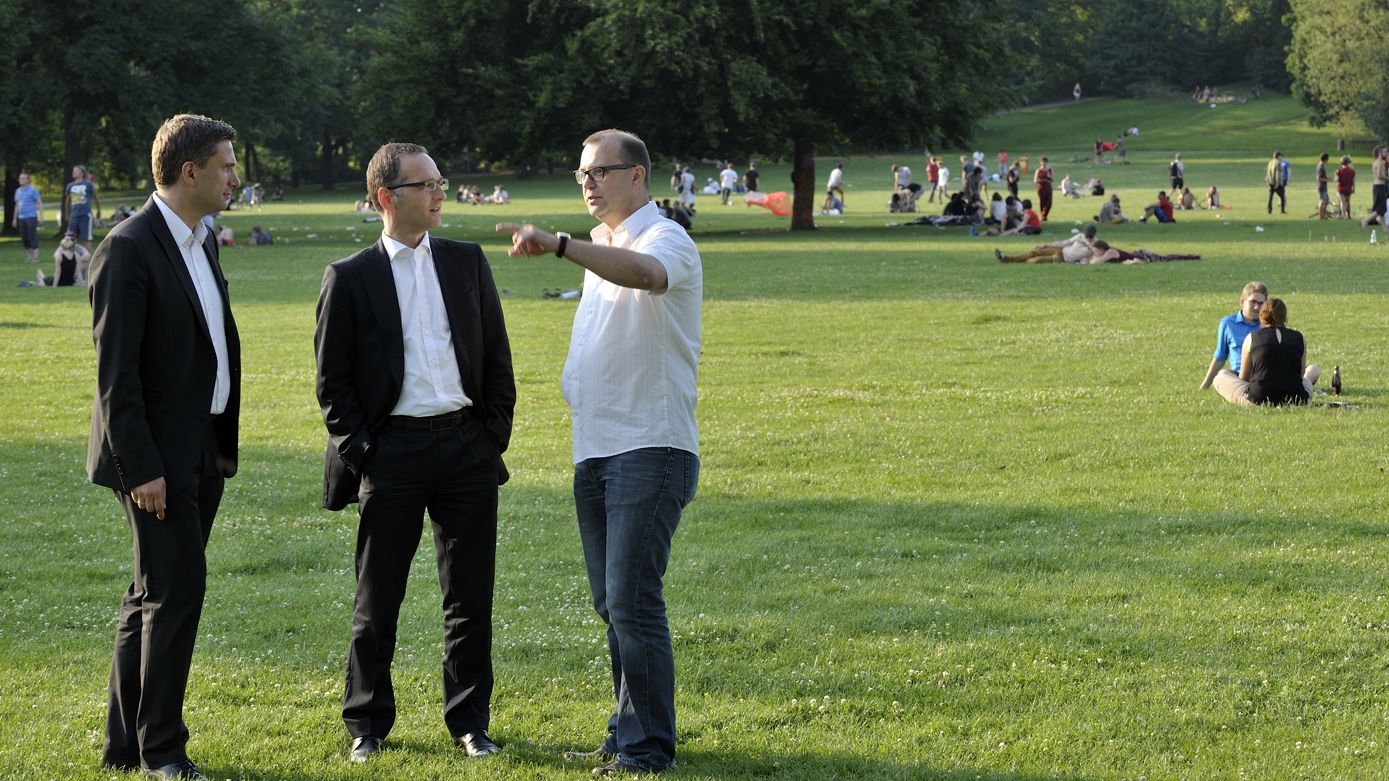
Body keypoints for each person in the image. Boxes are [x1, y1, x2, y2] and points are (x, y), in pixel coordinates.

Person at [496, 128, 701, 777]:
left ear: (637, 176)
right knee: (612, 602)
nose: (586, 183)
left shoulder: (664, 237)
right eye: (580, 174)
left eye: (599, 172)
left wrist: (559, 244)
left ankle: (647, 746)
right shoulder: (605, 246)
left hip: (651, 445)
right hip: (598, 449)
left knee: (632, 596)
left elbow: (646, 276)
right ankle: (626, 729)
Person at [314, 143, 516, 764]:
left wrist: (490, 437)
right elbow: (333, 386)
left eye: (440, 181)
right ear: (386, 197)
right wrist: (367, 452)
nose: (439, 193)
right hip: (391, 452)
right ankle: (367, 724)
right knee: (378, 599)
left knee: (469, 597)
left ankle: (469, 722)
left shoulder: (466, 262)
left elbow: (497, 360)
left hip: (466, 448)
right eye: (425, 184)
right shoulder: (350, 277)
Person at [88, 114, 243, 781]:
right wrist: (141, 469)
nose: (236, 177)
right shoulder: (129, 247)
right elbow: (114, 377)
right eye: (227, 165)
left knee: (151, 591)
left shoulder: (200, 240)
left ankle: (126, 745)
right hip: (154, 459)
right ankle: (164, 752)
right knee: (176, 592)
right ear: (190, 172)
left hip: (202, 448)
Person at [1239, 297, 1316, 406]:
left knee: (1222, 375)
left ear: (1262, 316)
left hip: (1259, 398)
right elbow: (1300, 375)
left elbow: (1243, 378)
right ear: (1285, 317)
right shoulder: (1299, 337)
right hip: (1296, 397)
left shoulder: (1251, 338)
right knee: (1312, 370)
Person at [1198, 281, 1266, 405]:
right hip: (1238, 377)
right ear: (1242, 302)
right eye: (1253, 302)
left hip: (1263, 376)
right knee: (1222, 374)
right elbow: (1220, 357)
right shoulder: (1228, 323)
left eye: (1261, 303)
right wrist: (1204, 386)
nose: (1257, 307)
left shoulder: (1267, 325)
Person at [995, 224, 1097, 263]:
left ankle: (1013, 260)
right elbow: (1064, 242)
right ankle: (1007, 258)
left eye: (1090, 236)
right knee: (1034, 252)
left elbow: (1100, 254)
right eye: (1086, 235)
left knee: (1036, 260)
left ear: (1094, 235)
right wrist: (1046, 244)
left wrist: (1088, 245)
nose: (1087, 238)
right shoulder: (1080, 236)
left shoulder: (1096, 244)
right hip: (1061, 251)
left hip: (1063, 259)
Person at [64, 164, 103, 254]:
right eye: (73, 170)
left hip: (85, 215)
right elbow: (67, 202)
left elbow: (96, 198)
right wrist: (67, 215)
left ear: (82, 173)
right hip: (74, 216)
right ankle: (72, 259)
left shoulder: (88, 184)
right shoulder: (70, 186)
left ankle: (89, 262)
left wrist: (98, 210)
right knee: (70, 238)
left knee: (86, 238)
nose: (74, 172)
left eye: (76, 171)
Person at [13, 172, 45, 264]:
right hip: (21, 218)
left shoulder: (33, 190)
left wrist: (41, 217)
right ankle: (29, 257)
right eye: (20, 178)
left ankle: (35, 258)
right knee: (25, 238)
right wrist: (15, 219)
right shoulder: (17, 191)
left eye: (23, 178)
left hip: (31, 217)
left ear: (28, 180)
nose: (21, 180)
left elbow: (39, 203)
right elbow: (17, 205)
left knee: (32, 237)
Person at [1033, 156, 1054, 221]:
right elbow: (1035, 180)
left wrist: (1049, 179)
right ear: (1040, 162)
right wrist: (1043, 180)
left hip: (1048, 187)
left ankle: (1043, 215)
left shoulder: (1049, 170)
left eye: (1045, 162)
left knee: (1049, 203)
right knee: (1042, 202)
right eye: (1042, 162)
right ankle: (1043, 216)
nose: (1044, 163)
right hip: (1041, 188)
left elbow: (1052, 179)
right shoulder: (1038, 170)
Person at [1335, 155, 1355, 219]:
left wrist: (1335, 175)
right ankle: (1346, 215)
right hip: (1348, 188)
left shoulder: (1339, 170)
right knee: (1346, 202)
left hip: (1341, 188)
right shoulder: (1352, 171)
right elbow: (1353, 180)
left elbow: (1337, 180)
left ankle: (1343, 216)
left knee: (1342, 202)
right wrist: (1353, 188)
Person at [1316, 153, 1331, 219]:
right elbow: (1318, 178)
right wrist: (1327, 179)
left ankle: (1323, 214)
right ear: (1325, 159)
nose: (1328, 160)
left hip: (1323, 186)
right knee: (1322, 201)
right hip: (1321, 187)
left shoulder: (1321, 166)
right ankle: (1321, 216)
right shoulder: (1320, 167)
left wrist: (1327, 178)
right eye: (1327, 159)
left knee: (1326, 200)